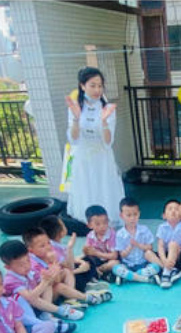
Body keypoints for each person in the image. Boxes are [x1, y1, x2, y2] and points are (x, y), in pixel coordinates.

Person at [65, 67, 125, 222]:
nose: (97, 90)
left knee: (105, 189)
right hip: (82, 158)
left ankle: (107, 225)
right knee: (86, 190)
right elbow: (73, 139)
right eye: (92, 85)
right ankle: (89, 227)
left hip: (102, 158)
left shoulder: (107, 108)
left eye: (100, 86)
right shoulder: (75, 107)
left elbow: (108, 142)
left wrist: (104, 121)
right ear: (82, 86)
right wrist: (76, 118)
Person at [0, 239, 84, 329]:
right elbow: (30, 298)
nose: (26, 266)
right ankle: (60, 311)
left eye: (28, 261)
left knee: (48, 285)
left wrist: (51, 275)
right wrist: (44, 282)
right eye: (21, 265)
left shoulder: (29, 272)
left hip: (37, 305)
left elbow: (44, 284)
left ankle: (46, 314)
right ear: (8, 267)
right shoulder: (11, 280)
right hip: (25, 312)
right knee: (33, 293)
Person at [23, 227, 110, 306]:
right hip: (43, 297)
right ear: (31, 251)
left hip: (54, 285)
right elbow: (51, 283)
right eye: (42, 246)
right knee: (60, 286)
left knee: (67, 271)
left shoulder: (49, 254)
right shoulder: (34, 265)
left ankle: (71, 299)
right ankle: (87, 298)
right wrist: (53, 263)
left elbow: (68, 267)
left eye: (48, 243)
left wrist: (66, 254)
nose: (48, 247)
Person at [39, 214, 108, 293]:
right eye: (63, 225)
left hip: (69, 269)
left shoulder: (58, 245)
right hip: (64, 277)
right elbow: (69, 267)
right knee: (78, 275)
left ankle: (91, 281)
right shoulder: (53, 250)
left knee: (88, 259)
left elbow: (70, 260)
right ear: (60, 232)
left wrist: (82, 262)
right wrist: (70, 248)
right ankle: (86, 285)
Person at [113, 197, 162, 285]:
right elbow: (122, 254)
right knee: (116, 268)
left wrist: (138, 245)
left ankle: (130, 277)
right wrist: (130, 247)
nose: (132, 218)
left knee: (156, 267)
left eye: (135, 214)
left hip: (143, 263)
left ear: (139, 214)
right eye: (128, 215)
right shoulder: (120, 234)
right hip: (127, 264)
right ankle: (145, 279)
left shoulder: (144, 229)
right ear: (122, 216)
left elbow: (150, 247)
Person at [155, 198, 181, 288]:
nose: (173, 211)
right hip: (166, 256)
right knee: (148, 253)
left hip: (179, 256)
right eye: (170, 209)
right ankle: (171, 270)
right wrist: (164, 260)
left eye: (177, 209)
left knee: (172, 244)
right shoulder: (162, 227)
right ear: (164, 215)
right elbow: (160, 246)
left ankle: (166, 273)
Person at [83, 204, 120, 281]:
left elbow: (114, 256)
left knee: (115, 263)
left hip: (109, 259)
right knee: (83, 260)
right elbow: (88, 252)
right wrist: (86, 251)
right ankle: (101, 274)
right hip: (97, 260)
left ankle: (97, 271)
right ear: (90, 225)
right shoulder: (90, 236)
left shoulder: (111, 235)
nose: (102, 226)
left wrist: (96, 253)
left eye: (105, 222)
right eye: (98, 224)